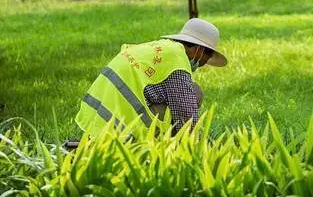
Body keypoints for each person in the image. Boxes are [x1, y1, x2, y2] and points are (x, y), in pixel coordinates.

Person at [74, 18, 227, 141]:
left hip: (96, 121)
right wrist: (199, 145)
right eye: (207, 56)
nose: (204, 63)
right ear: (199, 49)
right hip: (123, 129)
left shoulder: (160, 49)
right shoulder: (176, 60)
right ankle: (164, 147)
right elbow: (185, 115)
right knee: (195, 92)